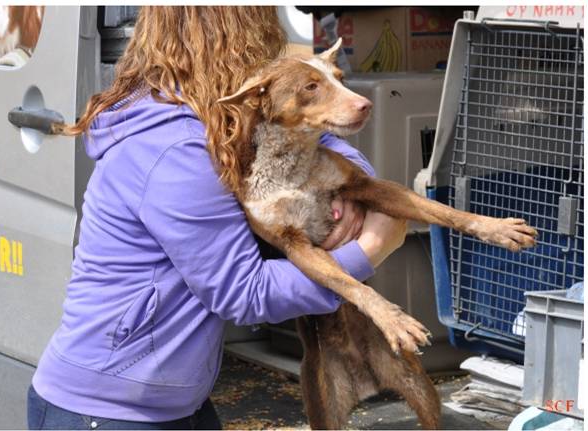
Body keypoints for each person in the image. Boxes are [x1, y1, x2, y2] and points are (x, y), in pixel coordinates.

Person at [28, 6, 407, 430]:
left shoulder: (202, 115)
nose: (272, 45)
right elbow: (245, 292)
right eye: (265, 32)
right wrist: (370, 248)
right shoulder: (175, 149)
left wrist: (360, 186)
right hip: (107, 411)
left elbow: (303, 134)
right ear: (238, 43)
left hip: (173, 403)